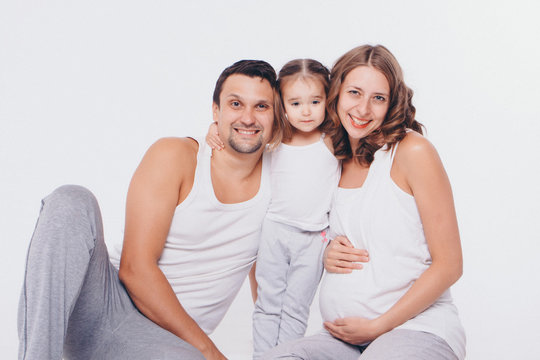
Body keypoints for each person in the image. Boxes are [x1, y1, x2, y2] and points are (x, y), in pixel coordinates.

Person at [17, 59, 284, 360]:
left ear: (276, 117)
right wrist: (210, 352)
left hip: (162, 345)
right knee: (71, 200)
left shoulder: (282, 186)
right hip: (104, 304)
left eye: (261, 107)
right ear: (216, 111)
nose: (248, 118)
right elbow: (135, 269)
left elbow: (269, 281)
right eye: (236, 103)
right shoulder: (177, 156)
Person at [262, 45, 466, 359]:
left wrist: (378, 327)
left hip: (417, 328)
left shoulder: (412, 151)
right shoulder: (332, 156)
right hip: (342, 339)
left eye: (378, 98)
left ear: (392, 102)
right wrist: (326, 249)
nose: (363, 109)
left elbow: (450, 265)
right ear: (336, 94)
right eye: (355, 93)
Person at [206, 59, 346, 359]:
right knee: (268, 305)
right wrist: (212, 128)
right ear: (282, 105)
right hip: (274, 231)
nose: (305, 111)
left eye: (315, 101)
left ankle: (284, 357)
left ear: (327, 101)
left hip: (314, 238)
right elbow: (241, 132)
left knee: (296, 308)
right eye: (295, 103)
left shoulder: (333, 141)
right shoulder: (274, 138)